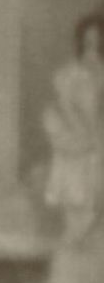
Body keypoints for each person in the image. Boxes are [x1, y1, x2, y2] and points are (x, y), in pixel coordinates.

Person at [39, 13, 104, 242]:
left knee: (96, 213)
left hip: (97, 145)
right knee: (78, 211)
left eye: (98, 41)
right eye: (88, 41)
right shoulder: (69, 75)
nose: (92, 48)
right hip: (77, 147)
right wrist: (86, 137)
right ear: (81, 42)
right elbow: (65, 109)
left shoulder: (101, 74)